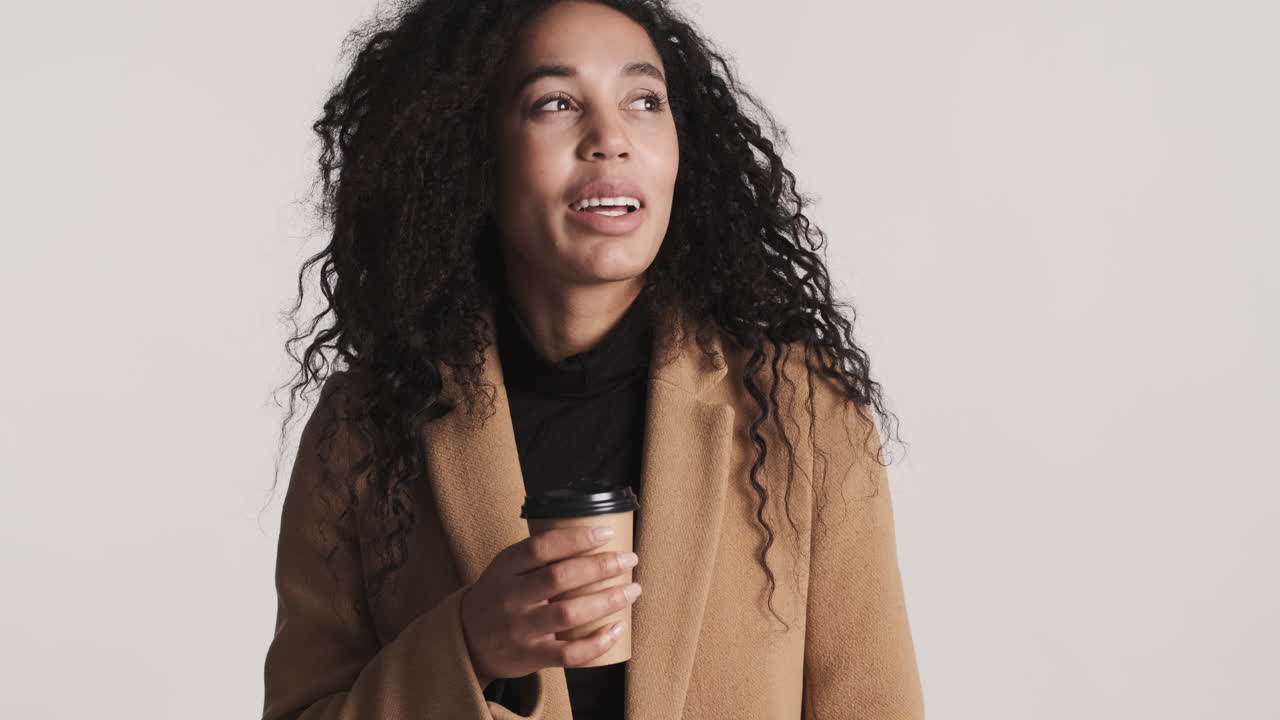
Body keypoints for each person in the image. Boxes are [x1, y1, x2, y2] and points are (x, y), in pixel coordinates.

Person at [261, 1, 925, 718]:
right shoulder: (367, 427)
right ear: (472, 151)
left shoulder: (801, 410)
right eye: (555, 103)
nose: (611, 139)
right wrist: (468, 649)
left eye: (644, 101)